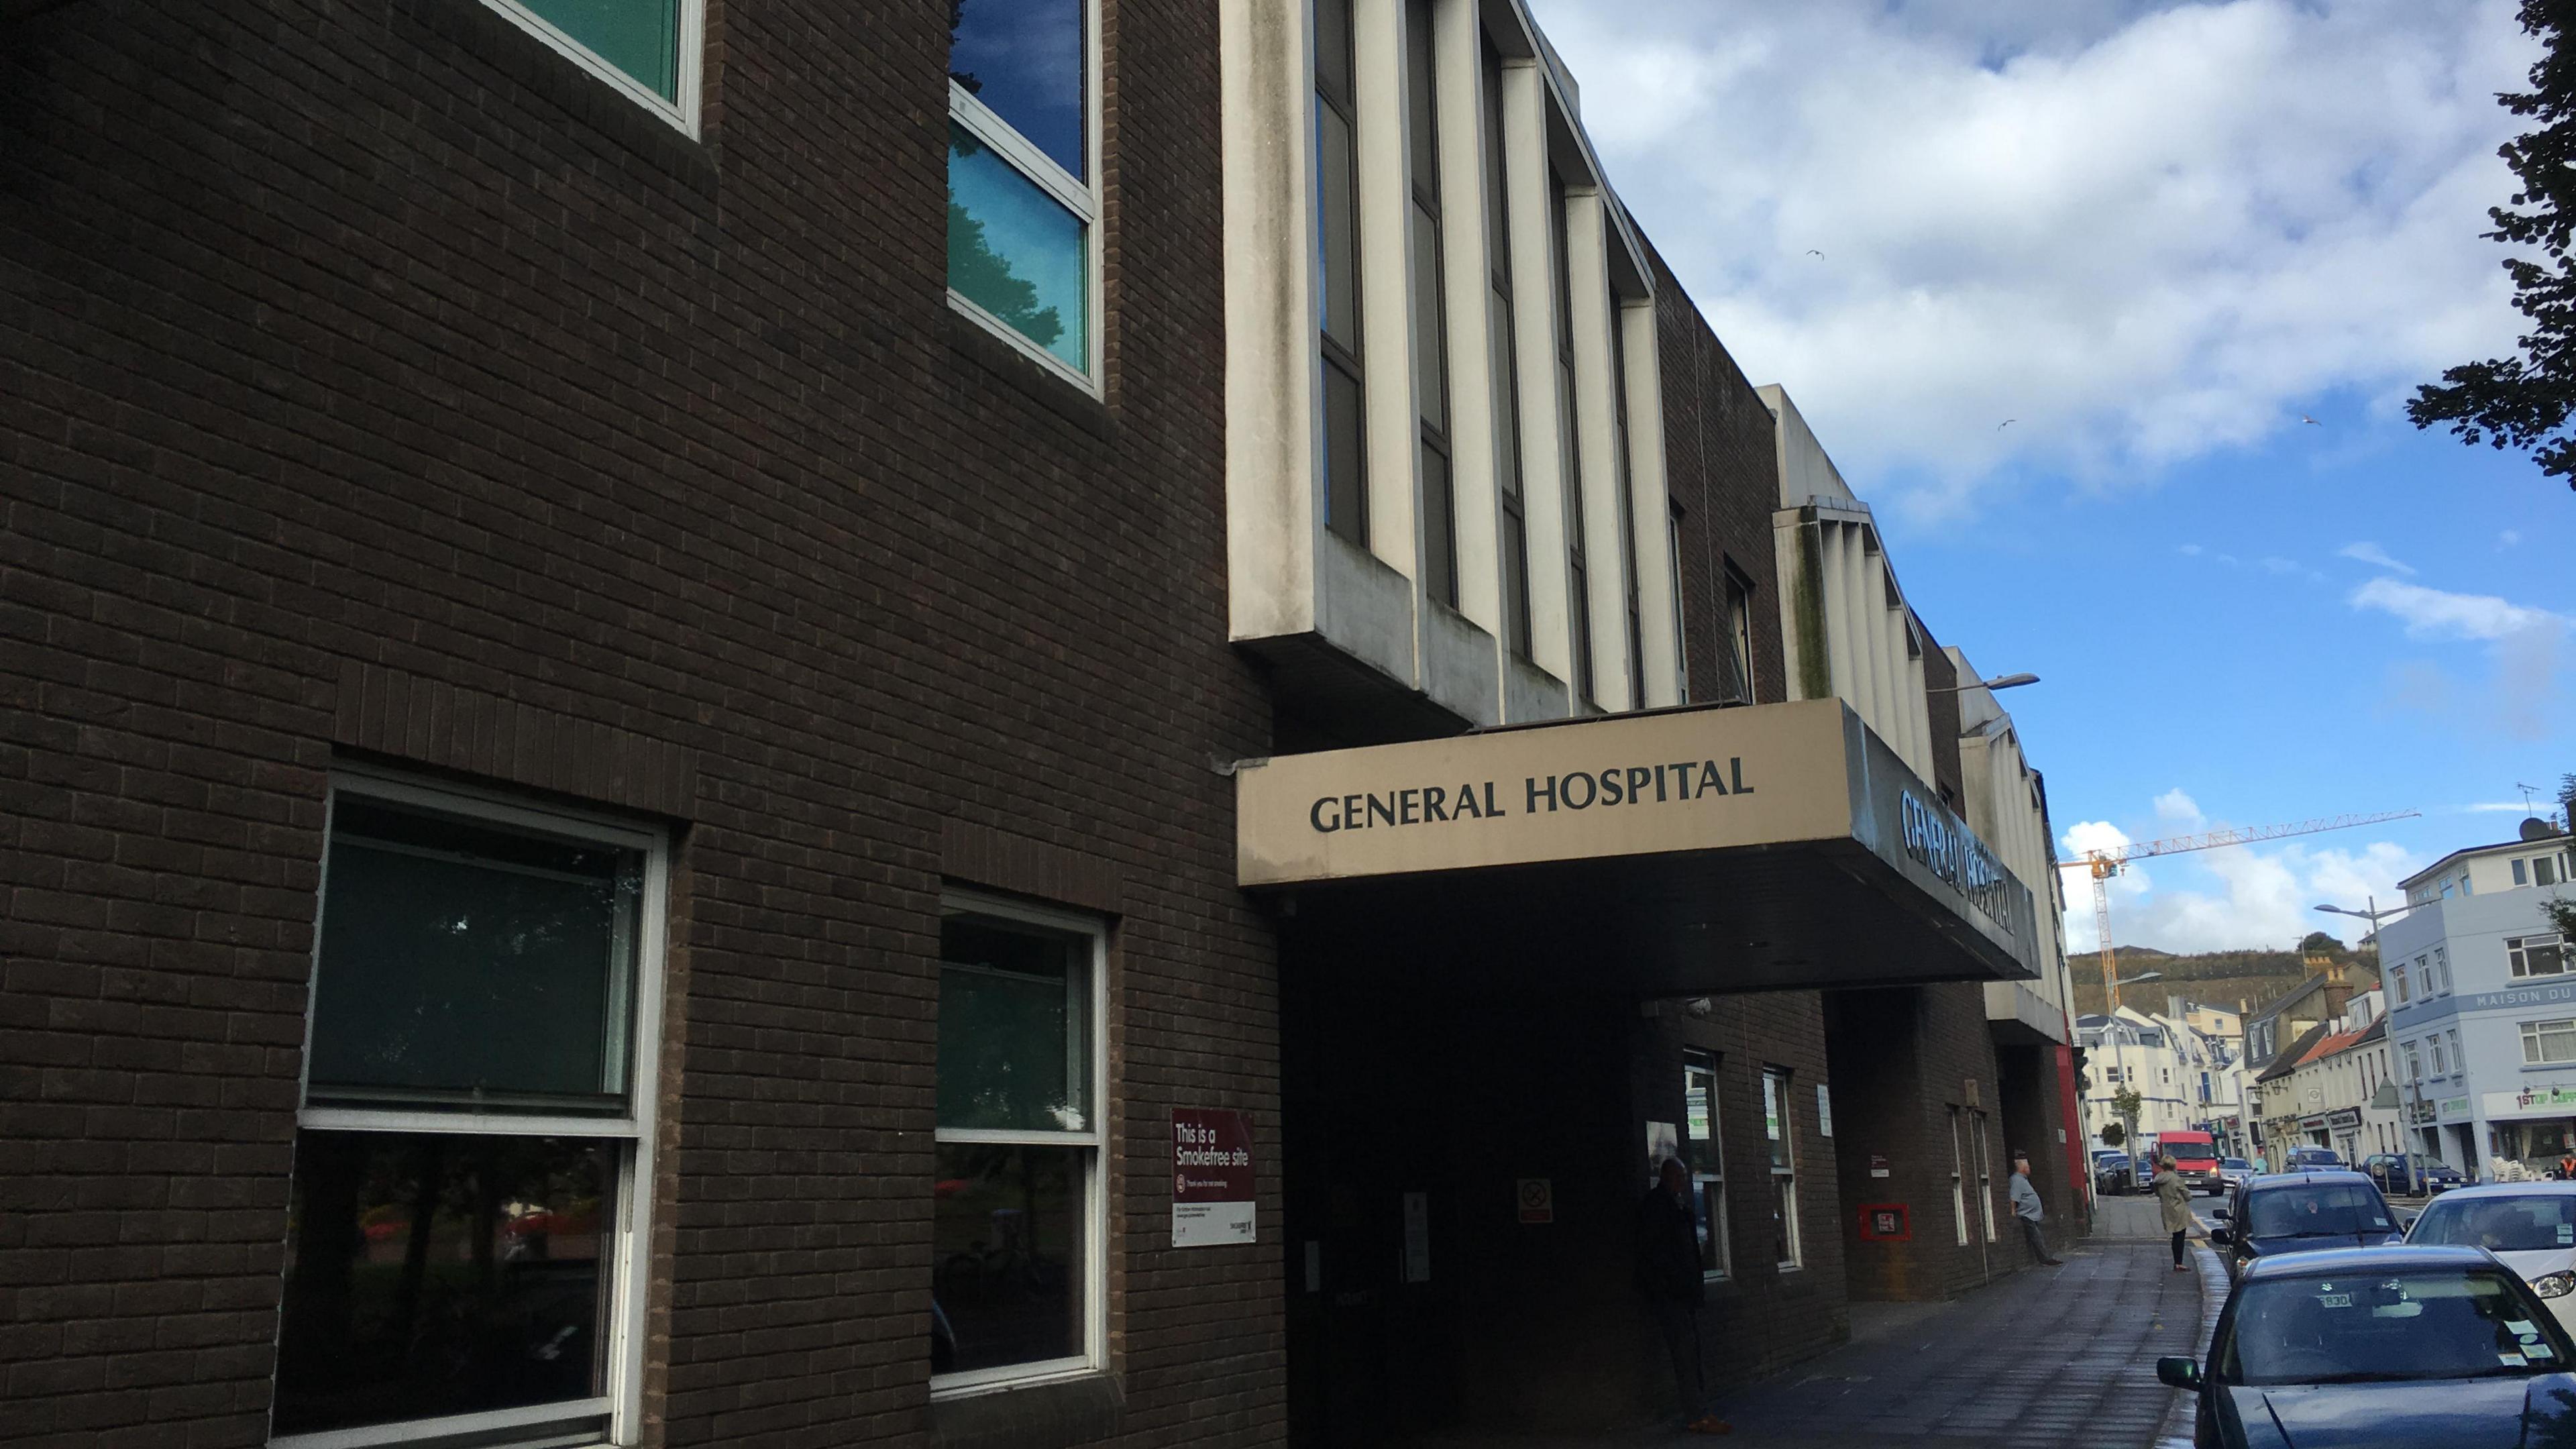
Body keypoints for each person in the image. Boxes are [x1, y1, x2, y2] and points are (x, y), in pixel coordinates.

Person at [1636, 1157, 1731, 1436]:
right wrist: (1673, 1286)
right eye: (1679, 1177)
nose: (1684, 1182)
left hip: (1682, 1294)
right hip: (1672, 1296)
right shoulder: (1658, 1208)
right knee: (1686, 1356)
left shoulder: (1677, 1205)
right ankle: (1697, 1415)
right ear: (1667, 1177)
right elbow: (1659, 1254)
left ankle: (1700, 1411)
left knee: (1691, 1354)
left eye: (1685, 1177)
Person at [2008, 1152, 2061, 1266]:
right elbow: (2014, 1197)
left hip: (2032, 1215)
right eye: (2027, 1167)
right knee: (2037, 1237)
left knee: (2039, 1236)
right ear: (2022, 1168)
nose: (2029, 1169)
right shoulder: (2017, 1180)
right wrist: (2013, 1211)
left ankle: (2045, 1257)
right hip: (2027, 1216)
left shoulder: (2023, 1180)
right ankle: (2045, 1259)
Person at [2151, 1155, 2194, 1272]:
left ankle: (2177, 1262)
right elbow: (2187, 1195)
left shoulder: (2158, 1179)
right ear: (2174, 1165)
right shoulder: (2176, 1179)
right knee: (2180, 1237)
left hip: (2166, 1208)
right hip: (2179, 1209)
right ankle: (2179, 1263)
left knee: (2175, 1236)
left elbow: (2157, 1193)